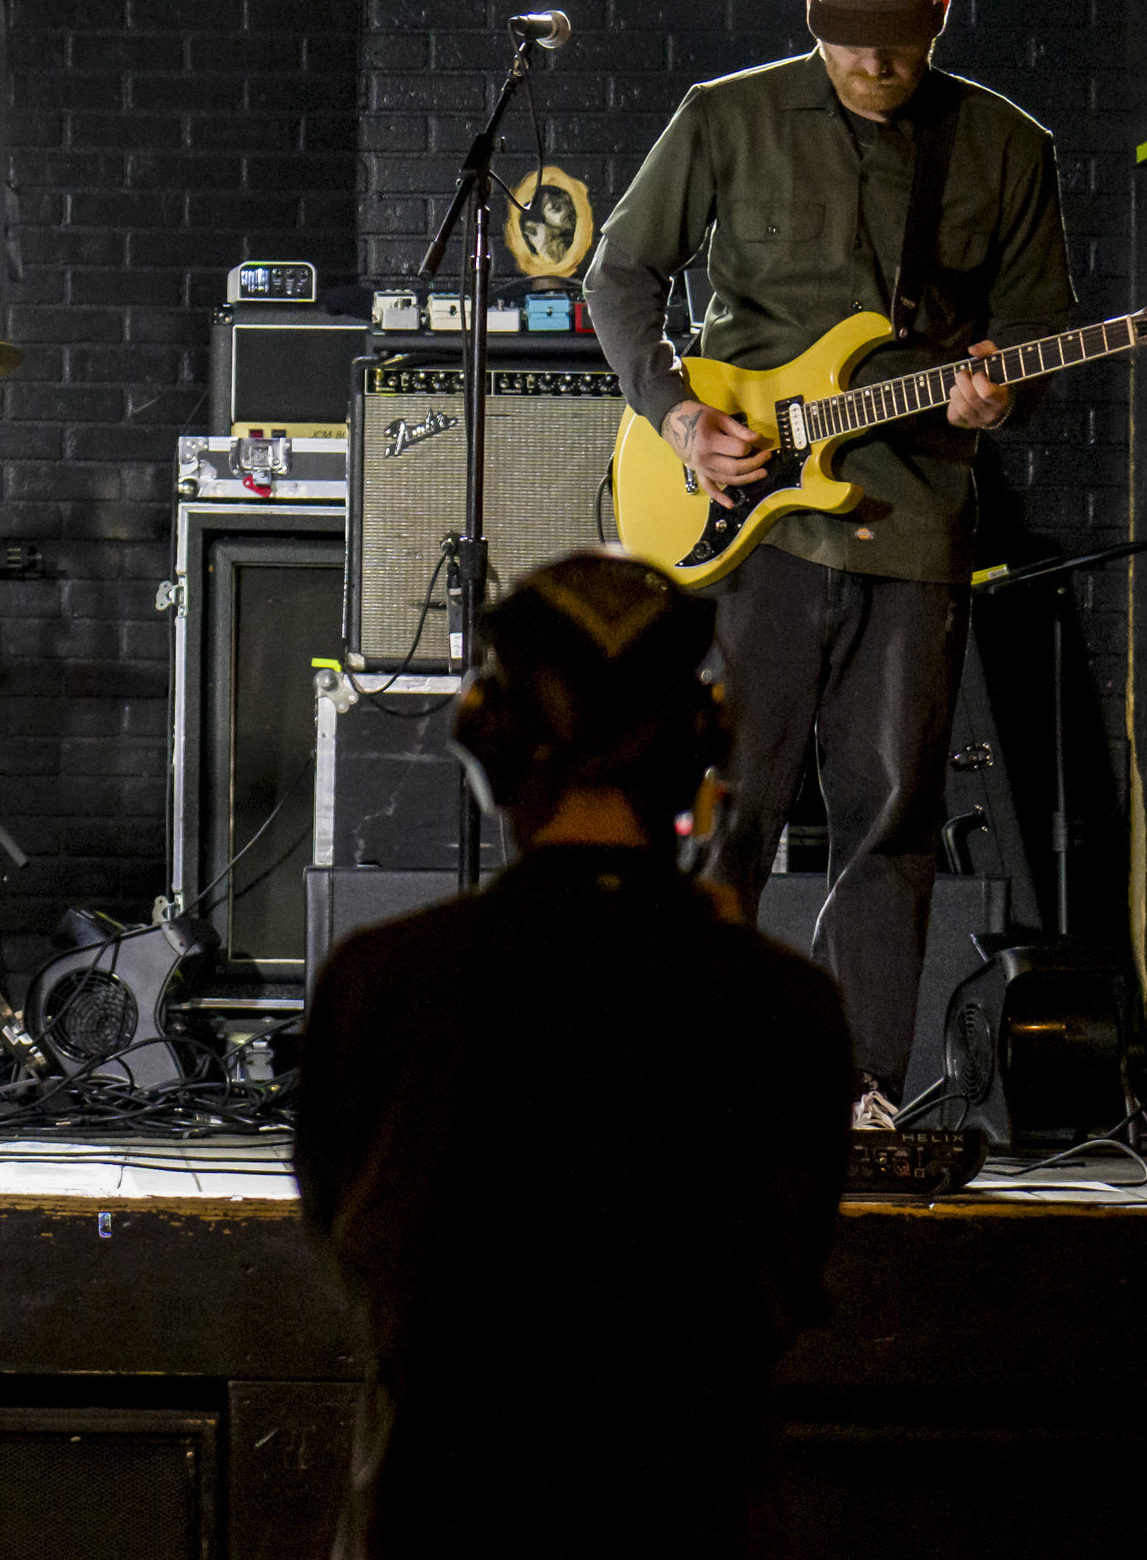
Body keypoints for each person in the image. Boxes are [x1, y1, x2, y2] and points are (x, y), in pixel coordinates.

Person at [585, 0, 1074, 1116]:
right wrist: (680, 418)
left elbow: (1041, 335)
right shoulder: (725, 117)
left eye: (899, 40)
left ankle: (858, 1088)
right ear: (809, 10)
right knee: (723, 808)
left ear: (940, 18)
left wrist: (994, 402)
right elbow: (621, 273)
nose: (873, 61)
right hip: (752, 524)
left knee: (889, 813)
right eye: (850, 35)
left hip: (912, 521)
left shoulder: (1005, 147)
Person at [297, 552, 854, 1560]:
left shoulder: (376, 983)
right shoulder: (785, 1003)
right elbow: (783, 1281)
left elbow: (351, 1253)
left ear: (484, 739)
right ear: (702, 741)